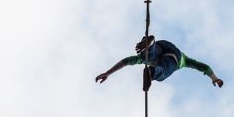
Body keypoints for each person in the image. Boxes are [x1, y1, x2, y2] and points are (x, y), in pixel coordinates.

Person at [95, 35, 223, 90]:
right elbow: (203, 67)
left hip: (162, 45)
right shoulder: (184, 61)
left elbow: (126, 61)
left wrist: (108, 73)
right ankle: (152, 68)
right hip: (174, 55)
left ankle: (150, 47)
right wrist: (214, 78)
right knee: (163, 69)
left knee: (147, 58)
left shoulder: (148, 59)